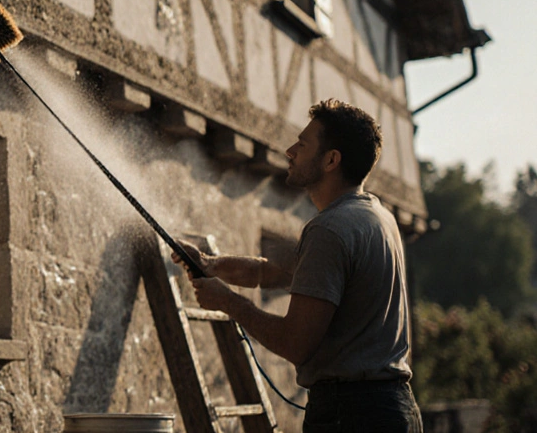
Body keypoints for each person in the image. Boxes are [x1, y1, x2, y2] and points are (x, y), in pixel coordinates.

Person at [173, 99, 421, 432]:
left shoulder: (329, 230)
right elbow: (268, 271)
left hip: (352, 416)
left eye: (302, 145)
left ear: (331, 160)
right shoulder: (375, 217)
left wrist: (228, 302)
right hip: (393, 408)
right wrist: (209, 264)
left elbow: (294, 343)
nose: (290, 152)